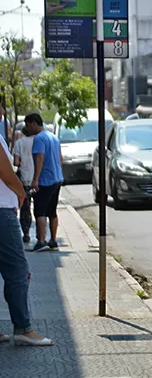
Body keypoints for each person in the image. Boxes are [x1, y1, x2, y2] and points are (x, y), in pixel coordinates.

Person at [0, 132, 53, 346]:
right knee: (18, 270)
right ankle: (23, 328)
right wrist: (20, 192)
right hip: (2, 210)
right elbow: (5, 171)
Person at [24, 113, 64, 252]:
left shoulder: (39, 139)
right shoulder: (53, 137)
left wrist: (35, 179)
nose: (27, 129)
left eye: (28, 125)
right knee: (52, 211)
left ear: (34, 123)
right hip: (57, 178)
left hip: (45, 180)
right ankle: (53, 240)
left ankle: (41, 241)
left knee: (40, 211)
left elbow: (39, 159)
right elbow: (60, 158)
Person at [12, 126, 35, 243]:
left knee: (25, 208)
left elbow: (16, 162)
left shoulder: (19, 143)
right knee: (40, 208)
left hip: (24, 178)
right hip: (37, 179)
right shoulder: (38, 141)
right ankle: (42, 234)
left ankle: (26, 233)